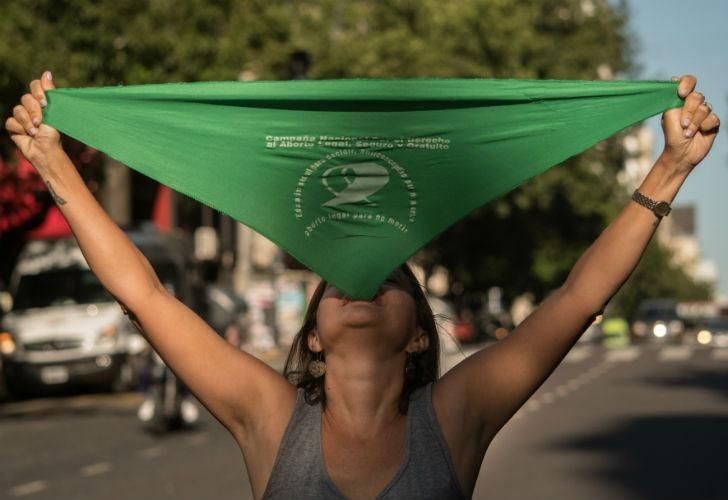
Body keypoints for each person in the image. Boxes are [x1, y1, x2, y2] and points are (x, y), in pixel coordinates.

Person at [5, 71, 719, 499]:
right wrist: (54, 163)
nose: (360, 277)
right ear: (312, 335)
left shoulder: (457, 416)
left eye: (389, 273)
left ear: (418, 332)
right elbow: (146, 296)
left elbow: (575, 300)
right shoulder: (267, 415)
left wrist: (669, 171)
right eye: (341, 277)